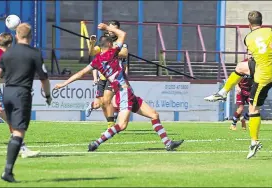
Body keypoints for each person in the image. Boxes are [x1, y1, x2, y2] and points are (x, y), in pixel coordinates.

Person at [55, 22, 184, 152]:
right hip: (123, 92)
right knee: (121, 125)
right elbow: (123, 34)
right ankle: (95, 143)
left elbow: (80, 73)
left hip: (127, 92)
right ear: (110, 44)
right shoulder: (112, 52)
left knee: (154, 115)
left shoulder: (97, 60)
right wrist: (107, 28)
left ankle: (168, 143)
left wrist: (63, 84)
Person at [204, 11, 272, 159]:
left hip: (264, 77)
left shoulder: (248, 38)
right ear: (262, 22)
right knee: (241, 67)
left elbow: (251, 55)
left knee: (253, 109)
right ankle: (223, 92)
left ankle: (254, 142)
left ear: (249, 25)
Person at [0, 23, 52, 182]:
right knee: (18, 132)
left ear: (16, 36)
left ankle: (9, 170)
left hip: (7, 93)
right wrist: (47, 96)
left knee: (14, 130)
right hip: (21, 93)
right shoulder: (34, 53)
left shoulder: (7, 53)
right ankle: (7, 172)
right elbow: (44, 78)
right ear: (30, 37)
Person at [85, 20, 129, 127]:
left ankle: (111, 126)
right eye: (109, 27)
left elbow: (124, 54)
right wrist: (92, 43)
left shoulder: (120, 42)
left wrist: (109, 49)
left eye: (114, 28)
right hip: (103, 77)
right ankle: (110, 124)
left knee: (107, 99)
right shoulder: (104, 41)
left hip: (114, 77)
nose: (111, 31)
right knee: (102, 104)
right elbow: (91, 52)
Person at [230, 58, 254, 131]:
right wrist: (237, 87)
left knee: (253, 109)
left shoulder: (256, 64)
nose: (251, 55)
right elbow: (236, 76)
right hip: (241, 90)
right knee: (240, 108)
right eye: (249, 54)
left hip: (250, 90)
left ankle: (244, 119)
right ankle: (233, 124)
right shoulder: (243, 64)